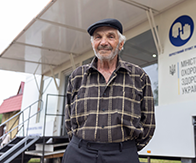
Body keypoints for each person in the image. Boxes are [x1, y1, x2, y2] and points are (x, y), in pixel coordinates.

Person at [62, 18, 155, 163]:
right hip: (79, 154)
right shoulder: (77, 76)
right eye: (98, 37)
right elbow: (68, 119)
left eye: (111, 36)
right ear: (93, 44)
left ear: (121, 43)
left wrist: (127, 149)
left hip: (123, 155)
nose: (103, 42)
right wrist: (79, 145)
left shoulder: (139, 76)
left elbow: (148, 122)